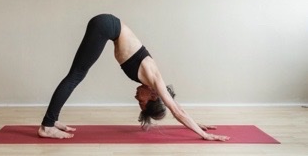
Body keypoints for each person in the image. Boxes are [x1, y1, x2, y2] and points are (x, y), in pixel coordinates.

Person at [38, 14, 230, 141]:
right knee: (76, 75)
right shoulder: (155, 78)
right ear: (153, 96)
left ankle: (52, 119)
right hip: (106, 25)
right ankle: (47, 126)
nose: (136, 99)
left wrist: (197, 123)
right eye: (141, 103)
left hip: (106, 25)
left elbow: (176, 107)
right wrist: (204, 135)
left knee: (76, 74)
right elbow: (176, 112)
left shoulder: (154, 83)